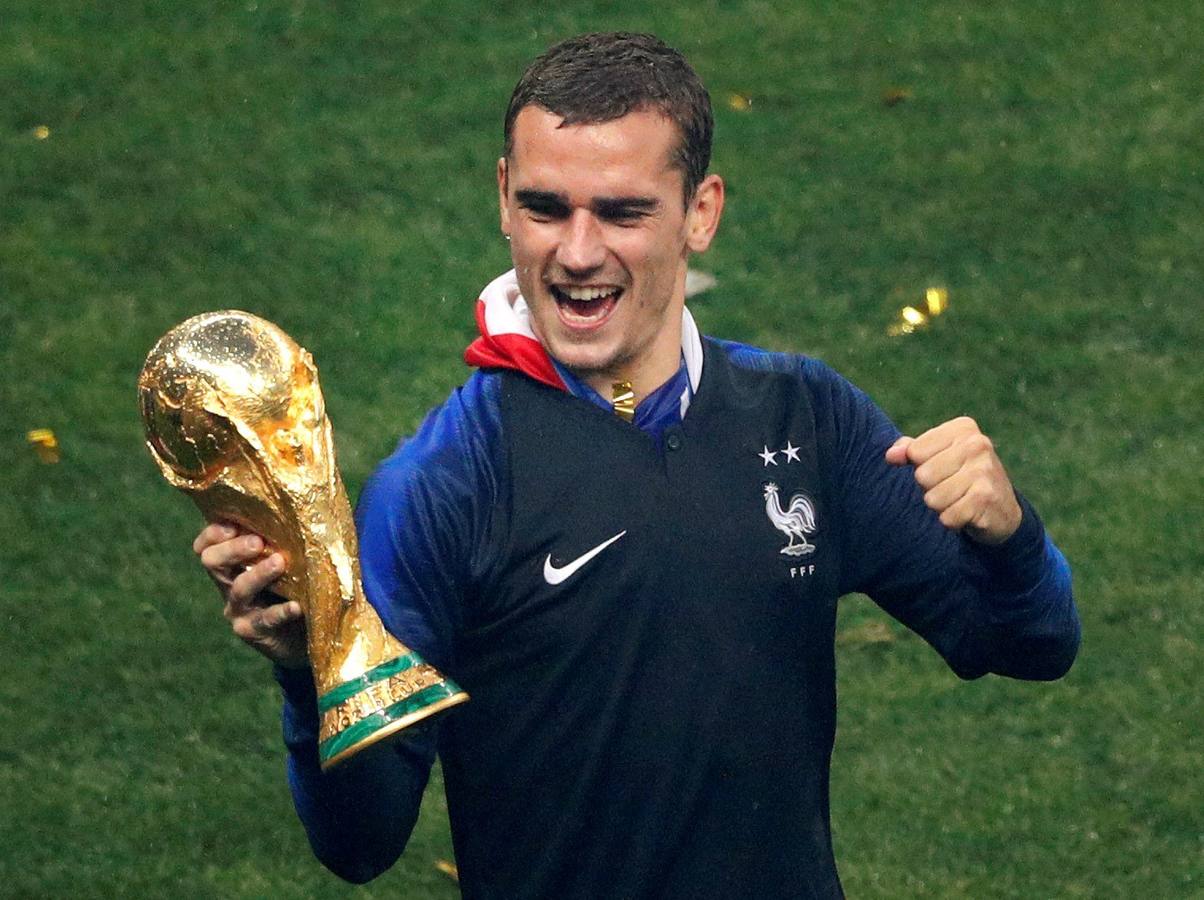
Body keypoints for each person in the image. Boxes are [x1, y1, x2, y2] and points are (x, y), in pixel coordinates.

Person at [194, 32, 1079, 899]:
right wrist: (308, 672)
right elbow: (361, 843)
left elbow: (1027, 643)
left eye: (622, 212)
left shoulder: (805, 417)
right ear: (503, 198)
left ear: (702, 211)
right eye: (546, 207)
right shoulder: (442, 487)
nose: (578, 253)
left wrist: (1010, 536)